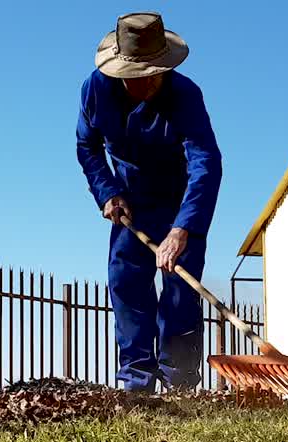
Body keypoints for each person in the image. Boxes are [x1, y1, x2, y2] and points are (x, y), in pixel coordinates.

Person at [76, 12, 223, 393]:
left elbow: (206, 161)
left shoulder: (185, 95)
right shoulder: (96, 89)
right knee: (127, 286)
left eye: (156, 73)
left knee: (180, 294)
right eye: (140, 76)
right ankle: (136, 384)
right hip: (130, 203)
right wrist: (107, 192)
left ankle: (181, 385)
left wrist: (184, 228)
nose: (149, 82)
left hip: (181, 202)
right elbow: (87, 146)